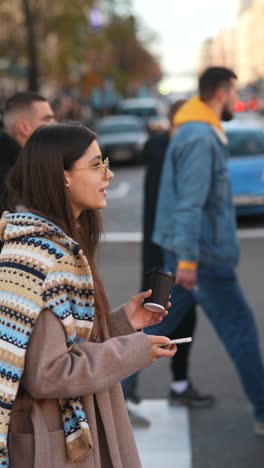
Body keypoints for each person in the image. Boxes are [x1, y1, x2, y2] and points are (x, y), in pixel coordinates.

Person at [0, 123, 177, 467]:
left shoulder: (54, 243)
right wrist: (133, 350)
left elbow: (60, 343)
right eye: (96, 165)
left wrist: (124, 322)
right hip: (53, 442)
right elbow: (48, 373)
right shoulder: (44, 257)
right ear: (62, 176)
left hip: (64, 430)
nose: (108, 174)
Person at [151, 66, 264, 436]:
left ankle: (110, 387)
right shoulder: (201, 137)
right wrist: (187, 259)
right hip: (203, 259)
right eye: (233, 94)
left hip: (191, 255)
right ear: (221, 93)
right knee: (242, 332)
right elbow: (190, 204)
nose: (235, 101)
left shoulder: (194, 131)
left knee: (153, 330)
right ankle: (263, 411)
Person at [123, 101, 214, 413]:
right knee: (158, 324)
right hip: (168, 255)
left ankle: (177, 385)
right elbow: (180, 208)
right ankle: (121, 388)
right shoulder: (170, 153)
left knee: (177, 320)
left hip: (165, 252)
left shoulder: (165, 149)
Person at [0, 91, 55, 215]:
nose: (55, 123)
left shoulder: (23, 166)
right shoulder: (16, 176)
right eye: (47, 118)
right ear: (24, 126)